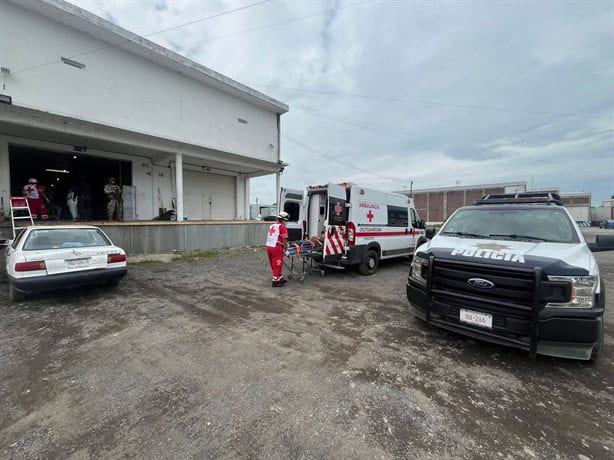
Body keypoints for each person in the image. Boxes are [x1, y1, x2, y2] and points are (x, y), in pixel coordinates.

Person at [266, 211, 289, 287]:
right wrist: (285, 247)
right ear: (282, 220)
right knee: (278, 263)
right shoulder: (282, 227)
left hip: (269, 246)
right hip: (276, 247)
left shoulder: (272, 225)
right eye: (285, 221)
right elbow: (284, 239)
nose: (285, 222)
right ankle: (275, 281)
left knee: (273, 263)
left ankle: (280, 277)